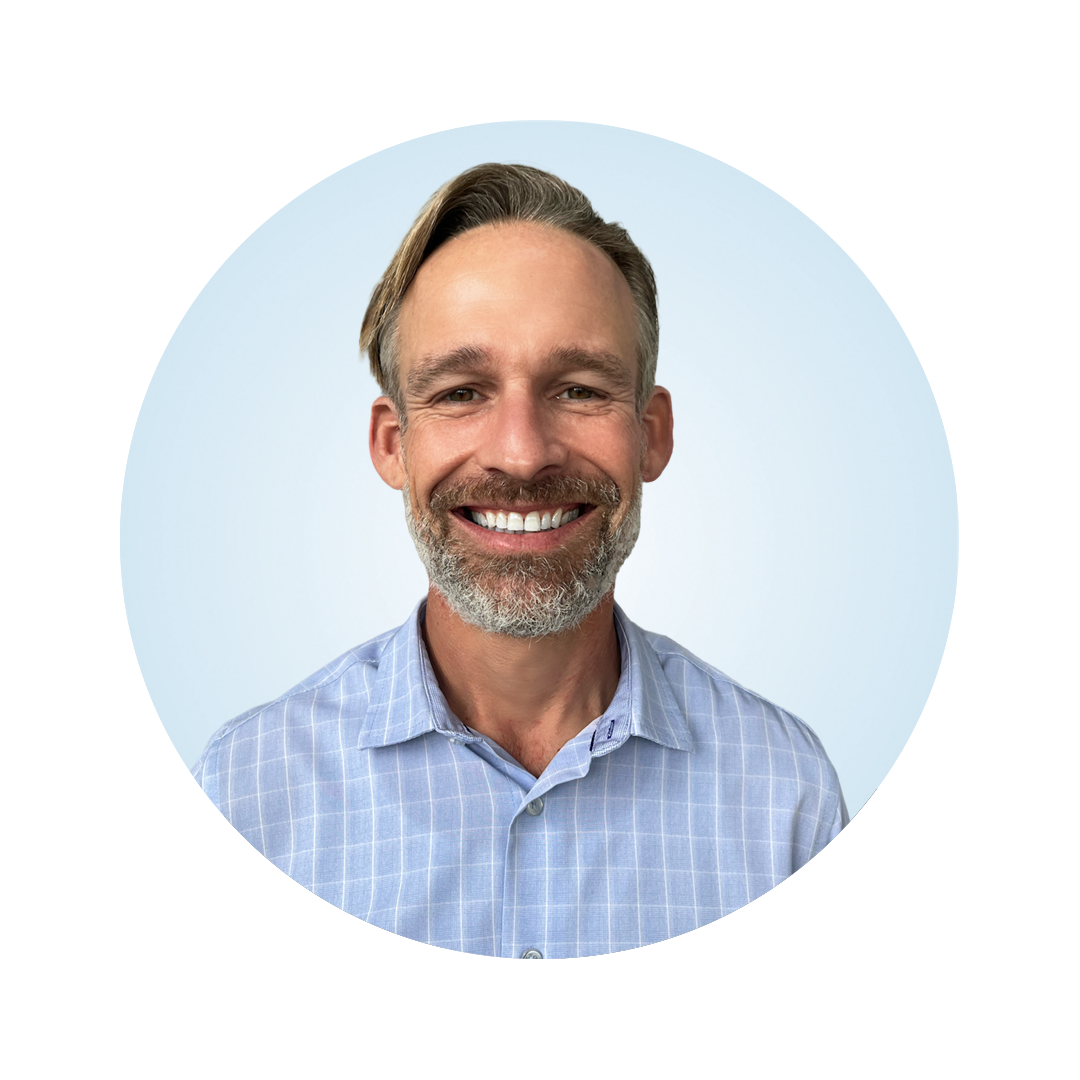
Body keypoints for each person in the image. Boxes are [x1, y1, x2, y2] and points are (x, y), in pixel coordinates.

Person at [192, 163, 847, 958]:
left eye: (577, 390)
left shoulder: (788, 798)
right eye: (462, 392)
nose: (521, 454)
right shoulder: (246, 794)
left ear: (653, 434)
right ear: (393, 445)